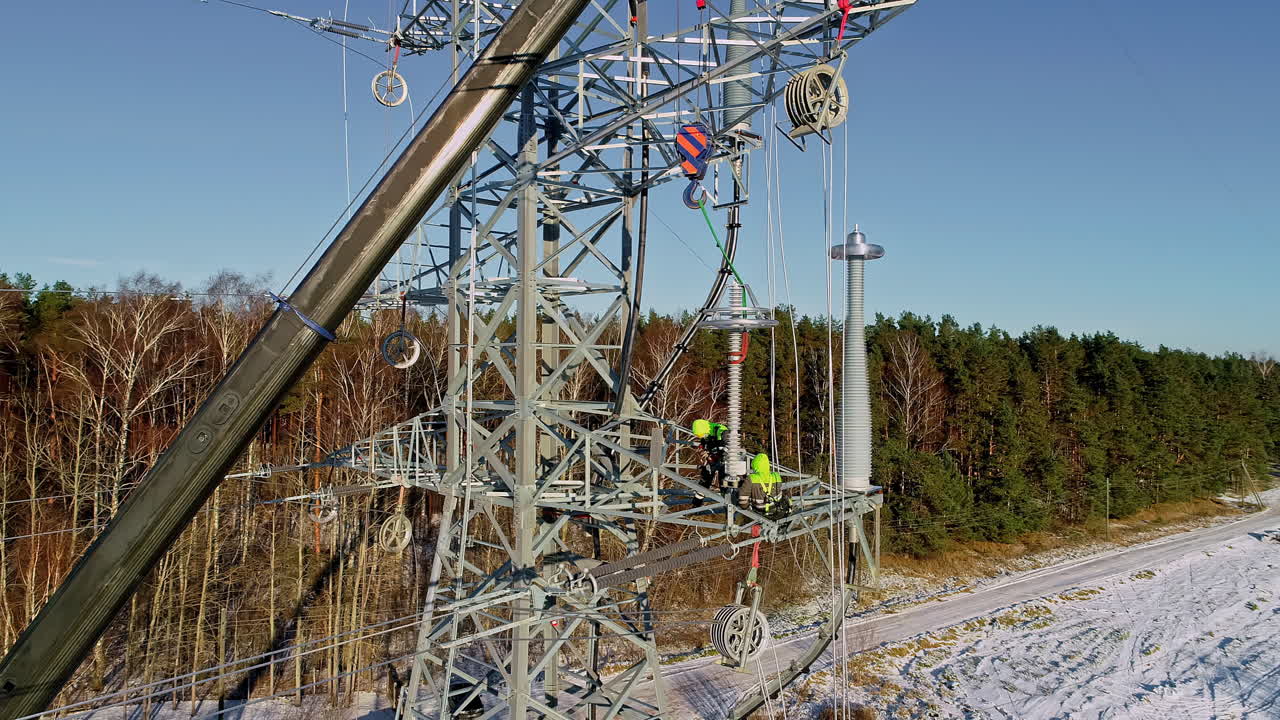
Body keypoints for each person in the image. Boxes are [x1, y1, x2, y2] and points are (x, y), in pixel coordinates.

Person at [691, 418, 727, 492]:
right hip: (712, 459)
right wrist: (702, 450)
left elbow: (726, 448)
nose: (701, 437)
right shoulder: (706, 434)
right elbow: (704, 444)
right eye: (698, 436)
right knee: (704, 480)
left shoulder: (721, 431)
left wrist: (711, 452)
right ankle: (698, 501)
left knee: (725, 483)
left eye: (701, 435)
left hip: (724, 461)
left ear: (704, 430)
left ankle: (726, 499)